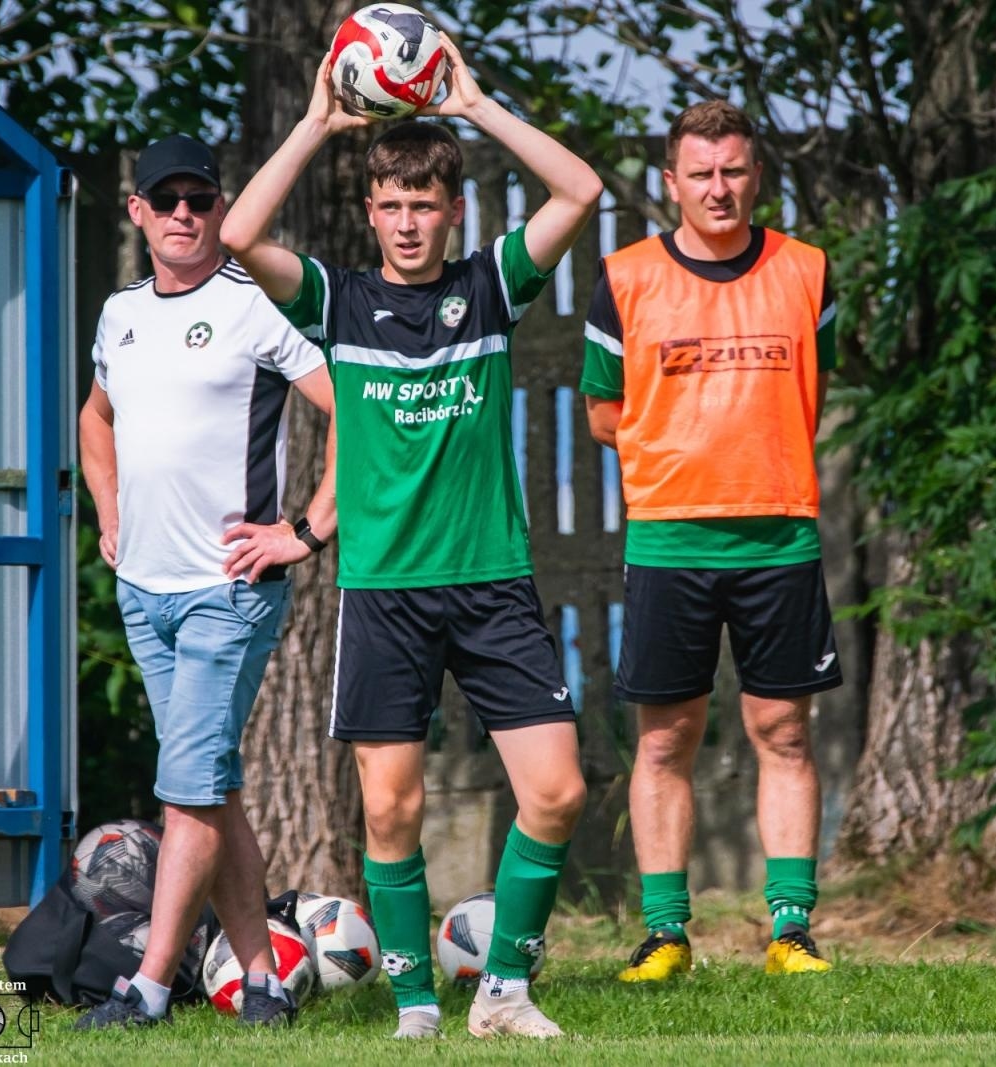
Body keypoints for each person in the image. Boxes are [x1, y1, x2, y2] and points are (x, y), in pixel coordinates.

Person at [220, 33, 602, 1040]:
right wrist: (315, 121)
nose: (404, 223)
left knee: (556, 791)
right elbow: (239, 232)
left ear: (452, 210)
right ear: (370, 213)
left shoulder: (489, 289)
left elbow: (580, 190)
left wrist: (473, 104)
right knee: (390, 811)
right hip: (384, 589)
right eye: (388, 206)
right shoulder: (338, 301)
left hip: (493, 583)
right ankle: (419, 1007)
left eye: (422, 205)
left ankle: (506, 989)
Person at [75, 134, 337, 1029]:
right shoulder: (120, 314)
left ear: (221, 209)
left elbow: (355, 412)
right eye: (167, 199)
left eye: (201, 198)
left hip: (228, 592)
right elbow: (95, 417)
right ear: (139, 211)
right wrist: (108, 514)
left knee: (185, 786)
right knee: (212, 784)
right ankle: (263, 979)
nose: (185, 213)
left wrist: (304, 531)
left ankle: (146, 986)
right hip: (144, 596)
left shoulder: (254, 306)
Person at [580, 100, 842, 983]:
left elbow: (817, 385)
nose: (719, 188)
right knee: (664, 740)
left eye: (733, 170)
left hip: (780, 536)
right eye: (702, 173)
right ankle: (664, 934)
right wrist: (687, 448)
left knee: (785, 732)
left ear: (756, 175)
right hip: (668, 539)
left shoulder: (807, 270)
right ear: (671, 183)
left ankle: (792, 929)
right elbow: (603, 415)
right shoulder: (624, 277)